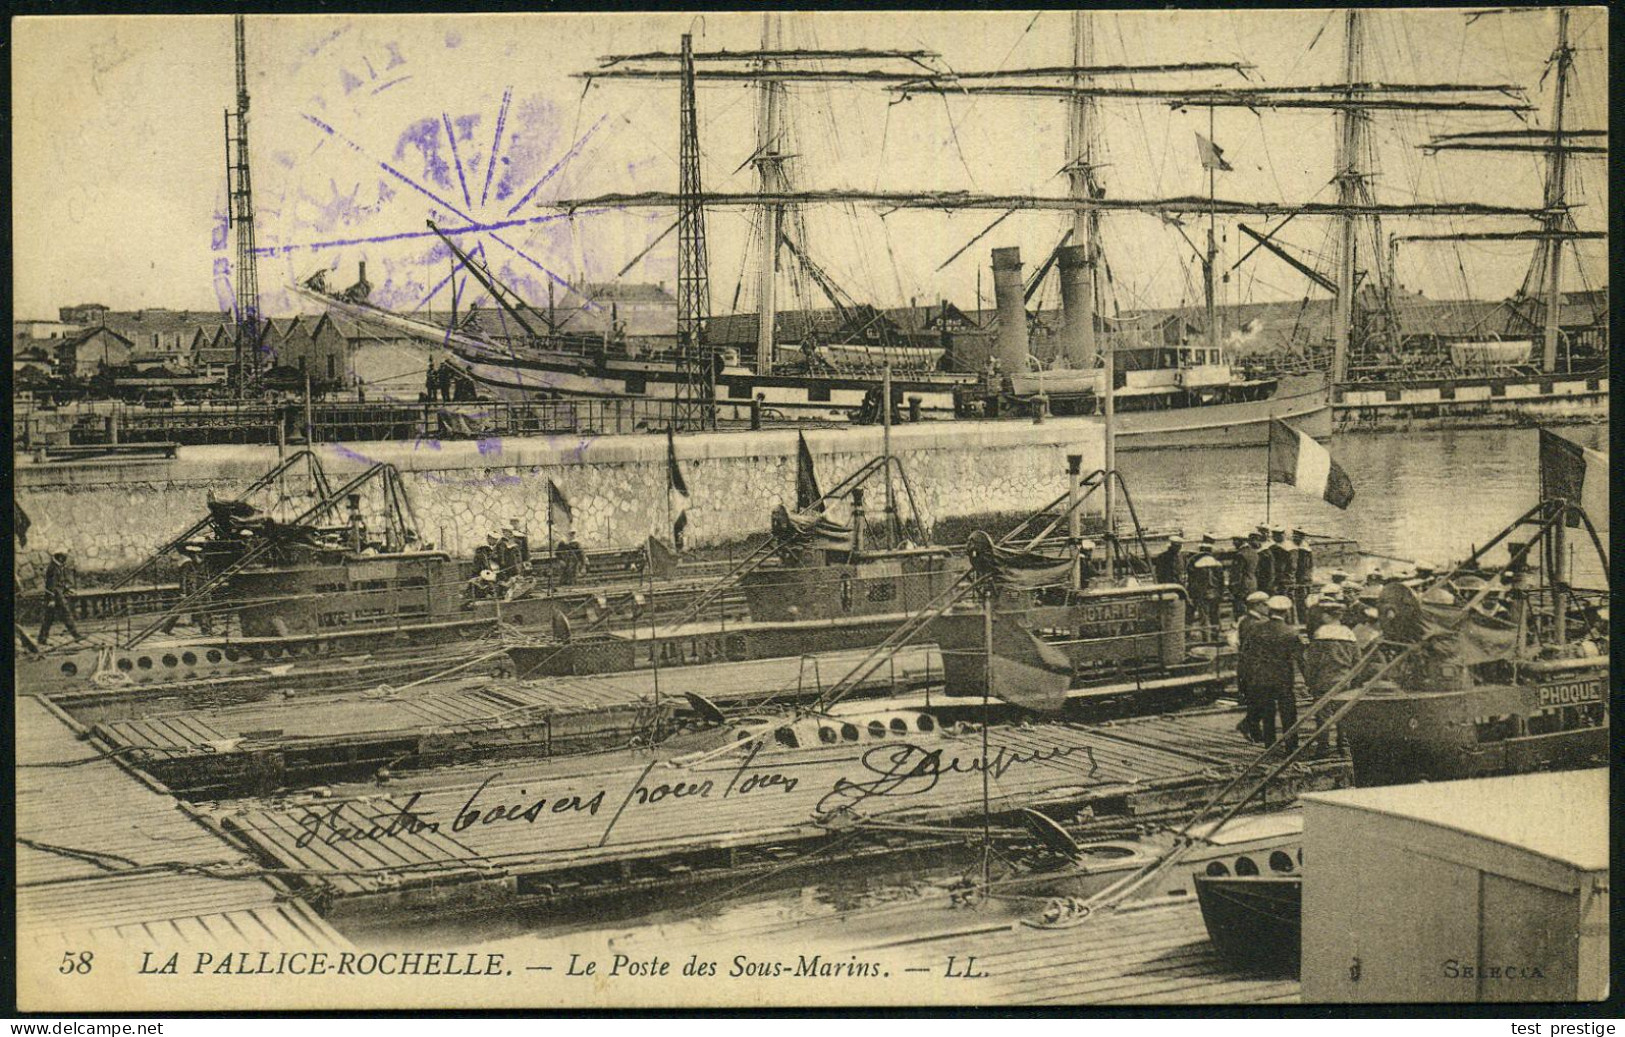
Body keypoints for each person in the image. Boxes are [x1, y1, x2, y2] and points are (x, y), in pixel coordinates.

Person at [1248, 595, 1303, 752]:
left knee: (1268, 713)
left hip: (1262, 677)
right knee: (1288, 714)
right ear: (1286, 612)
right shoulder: (1290, 632)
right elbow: (1300, 659)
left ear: (1270, 610)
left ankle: (1269, 745)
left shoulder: (1256, 629)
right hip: (1283, 679)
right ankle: (1291, 746)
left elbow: (1248, 654)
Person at [1233, 590, 1272, 742]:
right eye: (1265, 605)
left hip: (1250, 666)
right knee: (1259, 700)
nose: (1267, 608)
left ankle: (1253, 730)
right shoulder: (1254, 624)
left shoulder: (1246, 621)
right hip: (1254, 668)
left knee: (1257, 700)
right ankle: (1250, 727)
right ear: (1256, 605)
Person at [37, 550, 84, 646]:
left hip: (57, 595)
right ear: (60, 558)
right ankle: (76, 636)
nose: (65, 561)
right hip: (56, 597)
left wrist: (66, 589)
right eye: (64, 559)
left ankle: (42, 638)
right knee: (66, 615)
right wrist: (51, 599)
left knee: (48, 619)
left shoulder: (57, 566)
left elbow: (59, 582)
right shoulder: (53, 568)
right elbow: (51, 585)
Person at [1187, 536, 1225, 641]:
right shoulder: (1217, 564)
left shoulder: (1196, 564)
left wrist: (1192, 595)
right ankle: (1216, 636)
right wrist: (1220, 593)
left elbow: (1193, 582)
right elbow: (1221, 582)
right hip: (1215, 593)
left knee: (1204, 618)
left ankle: (1206, 638)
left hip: (1203, 594)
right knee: (1215, 616)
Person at [1230, 534, 1260, 618]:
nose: (1233, 543)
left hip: (1242, 585)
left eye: (1235, 540)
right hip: (1253, 583)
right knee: (1251, 608)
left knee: (1240, 611)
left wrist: (1233, 588)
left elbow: (1236, 574)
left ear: (1242, 541)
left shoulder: (1240, 554)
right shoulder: (1254, 552)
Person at [1291, 529, 1315, 615]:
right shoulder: (1306, 548)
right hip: (1306, 578)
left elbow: (1302, 566)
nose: (1294, 539)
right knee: (1305, 599)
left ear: (1301, 537)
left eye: (1296, 537)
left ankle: (1303, 617)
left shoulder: (1303, 550)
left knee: (1302, 599)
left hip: (1302, 578)